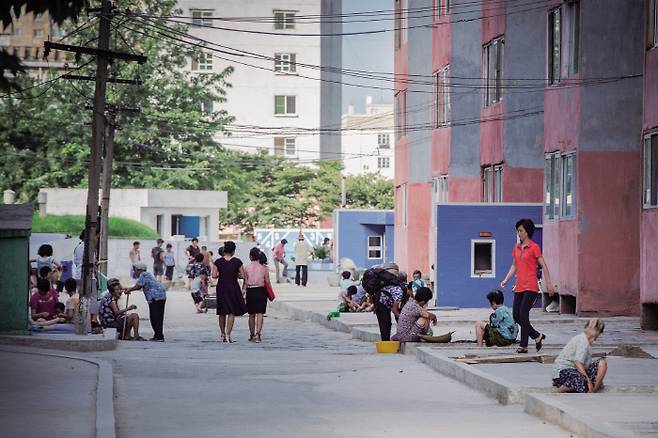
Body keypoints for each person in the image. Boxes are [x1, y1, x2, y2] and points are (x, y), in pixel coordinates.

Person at [500, 218, 555, 354]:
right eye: (518, 230)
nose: (519, 233)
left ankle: (524, 345)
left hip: (530, 286)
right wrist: (506, 280)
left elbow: (543, 265)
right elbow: (514, 265)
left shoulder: (534, 247)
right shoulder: (517, 247)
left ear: (527, 232)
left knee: (523, 314)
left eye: (521, 230)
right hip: (519, 286)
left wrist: (549, 284)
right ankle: (537, 335)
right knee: (516, 316)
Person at [553, 319, 607, 393]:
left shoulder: (587, 343)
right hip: (563, 371)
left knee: (602, 363)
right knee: (581, 379)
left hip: (576, 372)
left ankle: (593, 391)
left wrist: (597, 380)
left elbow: (585, 366)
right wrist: (589, 381)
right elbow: (578, 363)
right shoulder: (583, 340)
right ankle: (558, 391)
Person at [212, 241, 248, 343]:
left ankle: (222, 333)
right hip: (233, 287)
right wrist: (234, 273)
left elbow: (214, 275)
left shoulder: (218, 261)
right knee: (231, 311)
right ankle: (228, 335)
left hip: (222, 287)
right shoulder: (237, 262)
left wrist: (222, 273)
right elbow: (242, 275)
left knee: (222, 311)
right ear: (233, 251)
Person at [124, 262, 167, 342]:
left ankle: (159, 336)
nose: (134, 272)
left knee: (155, 317)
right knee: (158, 317)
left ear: (138, 270)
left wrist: (129, 289)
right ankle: (158, 335)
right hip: (160, 297)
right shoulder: (147, 274)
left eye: (135, 270)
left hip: (155, 298)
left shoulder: (143, 274)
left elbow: (138, 286)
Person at [244, 247, 272, 343]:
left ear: (251, 256)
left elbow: (245, 282)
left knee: (251, 315)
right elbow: (267, 282)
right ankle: (258, 334)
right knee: (260, 314)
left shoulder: (246, 267)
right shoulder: (264, 268)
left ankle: (251, 335)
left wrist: (242, 291)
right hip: (261, 291)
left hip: (251, 291)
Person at [373, 263, 404, 341]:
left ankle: (385, 343)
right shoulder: (399, 290)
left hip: (378, 300)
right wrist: (404, 320)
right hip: (383, 302)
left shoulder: (381, 283)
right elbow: (394, 309)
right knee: (390, 322)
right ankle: (402, 335)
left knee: (384, 326)